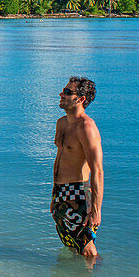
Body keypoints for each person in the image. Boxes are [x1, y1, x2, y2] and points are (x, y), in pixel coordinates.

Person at [51, 76, 103, 261]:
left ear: (80, 99)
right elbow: (59, 159)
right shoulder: (61, 123)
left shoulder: (87, 127)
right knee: (71, 244)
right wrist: (54, 194)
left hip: (79, 193)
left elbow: (97, 170)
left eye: (67, 92)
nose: (61, 94)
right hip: (61, 192)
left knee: (87, 248)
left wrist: (95, 209)